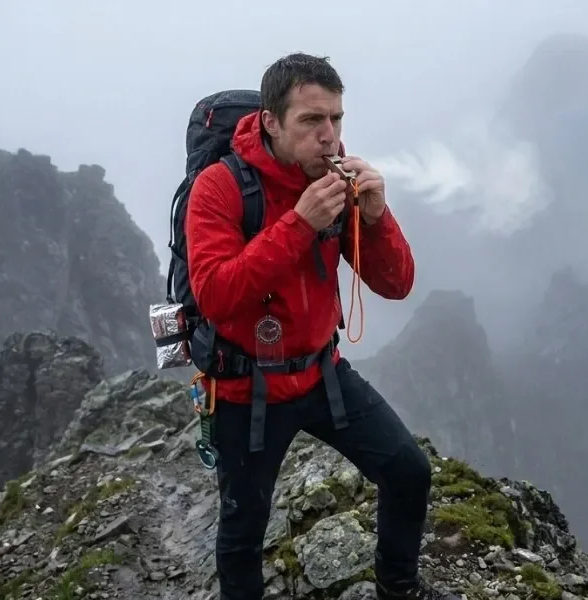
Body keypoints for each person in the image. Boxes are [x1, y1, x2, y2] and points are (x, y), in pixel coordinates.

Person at [184, 53, 457, 600]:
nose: (329, 136)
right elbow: (216, 295)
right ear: (270, 121)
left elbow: (396, 283)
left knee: (408, 472)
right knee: (243, 533)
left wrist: (377, 217)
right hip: (245, 389)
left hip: (321, 374)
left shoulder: (333, 182)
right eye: (311, 121)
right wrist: (299, 223)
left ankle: (398, 589)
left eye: (336, 119)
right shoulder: (219, 189)